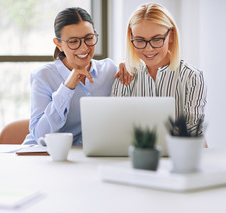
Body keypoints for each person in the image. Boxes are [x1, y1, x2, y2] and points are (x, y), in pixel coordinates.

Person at [23, 7, 129, 145]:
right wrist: (67, 88)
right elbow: (40, 136)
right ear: (59, 44)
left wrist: (130, 66)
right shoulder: (43, 76)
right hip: (47, 155)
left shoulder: (109, 70)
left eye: (89, 38)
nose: (84, 48)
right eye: (73, 41)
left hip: (87, 155)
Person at [111, 3, 207, 136]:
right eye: (140, 40)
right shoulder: (125, 76)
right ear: (131, 38)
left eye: (157, 39)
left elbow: (193, 130)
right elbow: (115, 126)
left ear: (171, 36)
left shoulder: (192, 77)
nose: (148, 49)